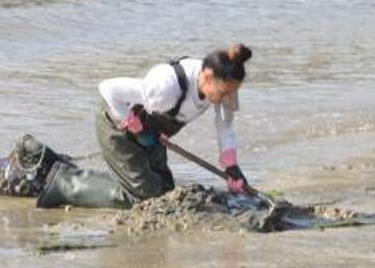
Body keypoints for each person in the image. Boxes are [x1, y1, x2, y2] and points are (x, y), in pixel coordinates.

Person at [36, 44, 253, 208]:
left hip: (151, 133)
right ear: (207, 76)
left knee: (165, 189)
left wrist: (231, 166)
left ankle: (116, 177)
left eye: (232, 92)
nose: (227, 98)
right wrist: (134, 126)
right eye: (224, 92)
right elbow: (108, 89)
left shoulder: (223, 89)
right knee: (143, 197)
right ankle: (63, 182)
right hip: (116, 124)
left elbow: (225, 126)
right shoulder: (166, 87)